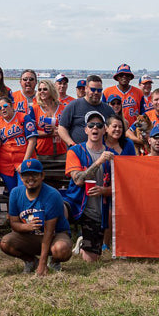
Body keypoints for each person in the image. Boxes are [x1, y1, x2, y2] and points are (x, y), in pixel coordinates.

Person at [0, 158, 72, 275]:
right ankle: (31, 261)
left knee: (61, 249)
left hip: (55, 234)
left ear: (42, 175)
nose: (30, 178)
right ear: (21, 177)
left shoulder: (52, 194)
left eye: (34, 174)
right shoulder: (15, 193)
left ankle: (53, 261)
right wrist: (27, 227)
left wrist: (42, 265)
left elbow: (49, 231)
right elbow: (13, 223)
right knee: (5, 243)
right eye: (26, 175)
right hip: (30, 236)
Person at [64, 111, 115, 263]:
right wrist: (99, 162)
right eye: (91, 125)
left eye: (99, 125)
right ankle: (58, 245)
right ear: (85, 130)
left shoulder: (112, 155)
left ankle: (82, 245)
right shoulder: (75, 151)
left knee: (91, 260)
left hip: (96, 211)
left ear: (104, 129)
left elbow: (121, 187)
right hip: (74, 203)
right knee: (58, 208)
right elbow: (78, 180)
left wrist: (104, 190)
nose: (95, 128)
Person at [0, 95, 37, 192]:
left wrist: (24, 162)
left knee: (23, 191)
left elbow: (32, 141)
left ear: (12, 105)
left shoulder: (23, 117)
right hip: (5, 164)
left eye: (5, 106)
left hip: (24, 160)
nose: (3, 109)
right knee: (13, 192)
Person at [58, 75, 115, 147]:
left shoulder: (108, 109)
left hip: (102, 152)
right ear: (86, 89)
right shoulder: (73, 105)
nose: (96, 92)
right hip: (78, 152)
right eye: (93, 90)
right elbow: (62, 128)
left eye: (99, 90)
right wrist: (72, 144)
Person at [31, 80, 67, 183]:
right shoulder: (34, 109)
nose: (42, 91)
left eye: (45, 89)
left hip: (61, 151)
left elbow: (68, 128)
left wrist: (57, 130)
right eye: (40, 89)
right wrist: (48, 134)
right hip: (42, 152)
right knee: (43, 181)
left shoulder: (63, 108)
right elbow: (31, 132)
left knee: (60, 181)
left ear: (51, 90)